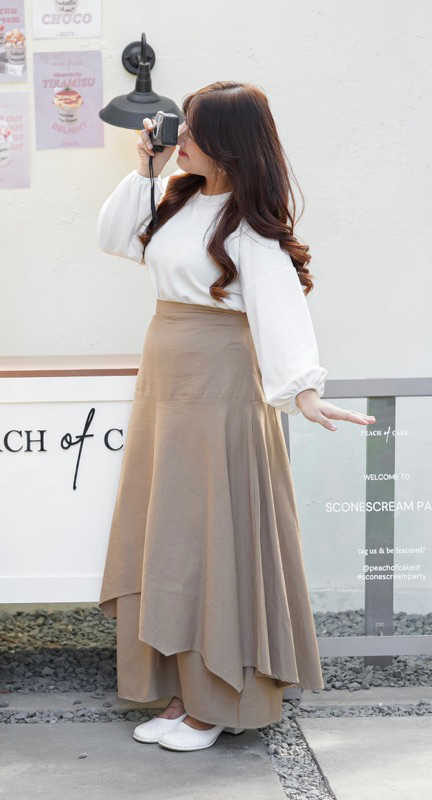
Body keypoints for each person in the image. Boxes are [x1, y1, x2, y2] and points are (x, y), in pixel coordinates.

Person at [96, 81, 375, 753]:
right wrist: (146, 171)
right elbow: (112, 238)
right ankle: (179, 691)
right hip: (166, 383)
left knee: (209, 534)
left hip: (218, 389)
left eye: (192, 129)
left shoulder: (247, 225)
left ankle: (216, 702)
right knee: (169, 532)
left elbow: (278, 308)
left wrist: (304, 391)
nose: (178, 137)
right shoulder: (176, 197)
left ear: (227, 143)